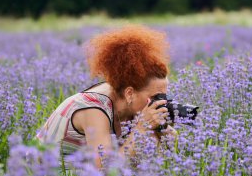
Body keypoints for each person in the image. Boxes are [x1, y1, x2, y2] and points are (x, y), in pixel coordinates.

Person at [36, 25, 177, 168]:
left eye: (163, 96)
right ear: (129, 93)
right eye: (156, 96)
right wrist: (141, 130)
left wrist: (164, 133)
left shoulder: (130, 105)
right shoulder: (93, 109)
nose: (161, 102)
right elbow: (104, 170)